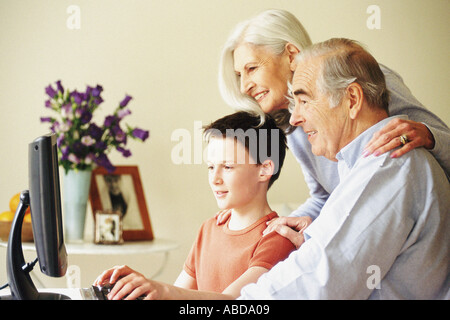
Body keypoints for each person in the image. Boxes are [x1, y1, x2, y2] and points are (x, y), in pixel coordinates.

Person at [217, 9, 450, 247]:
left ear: (291, 55)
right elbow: (325, 197)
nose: (244, 86)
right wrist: (261, 228)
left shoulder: (358, 78)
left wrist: (428, 135)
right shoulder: (294, 121)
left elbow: (444, 143)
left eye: (252, 68)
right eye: (239, 75)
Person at [238, 38, 449, 299]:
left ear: (352, 99)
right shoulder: (362, 165)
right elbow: (334, 225)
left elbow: (319, 282)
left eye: (305, 101)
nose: (295, 117)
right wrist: (318, 231)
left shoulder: (387, 164)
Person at [93, 111, 296, 300]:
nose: (214, 179)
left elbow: (234, 302)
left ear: (265, 169)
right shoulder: (209, 229)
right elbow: (180, 293)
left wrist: (160, 289)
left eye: (227, 167)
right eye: (210, 167)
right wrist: (141, 288)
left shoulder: (278, 239)